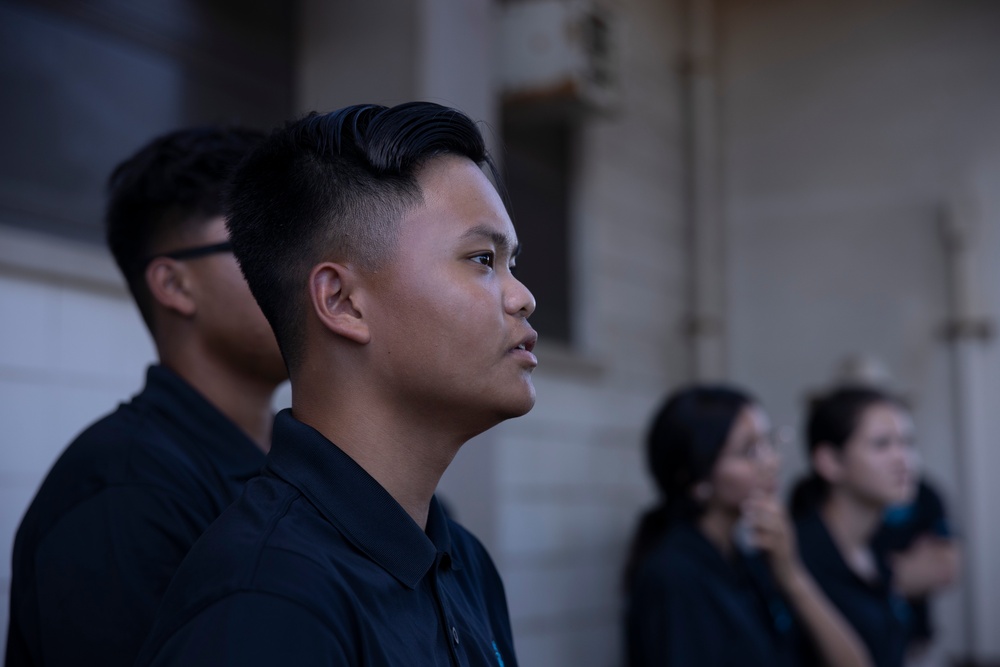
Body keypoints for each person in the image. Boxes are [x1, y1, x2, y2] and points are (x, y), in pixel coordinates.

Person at [135, 102, 537, 666]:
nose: (522, 296)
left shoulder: (462, 562)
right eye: (480, 258)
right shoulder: (265, 605)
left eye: (510, 261)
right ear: (342, 302)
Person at [5, 126, 287, 667]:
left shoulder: (302, 464)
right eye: (265, 242)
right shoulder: (122, 493)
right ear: (175, 285)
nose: (300, 271)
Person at [624, 385, 871, 667]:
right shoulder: (675, 578)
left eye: (768, 444)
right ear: (698, 480)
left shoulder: (746, 561)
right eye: (749, 451)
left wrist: (792, 576)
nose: (771, 461)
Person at [791, 386, 918, 667]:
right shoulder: (798, 555)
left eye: (908, 442)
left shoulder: (879, 546)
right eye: (882, 444)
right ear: (830, 461)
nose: (903, 459)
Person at [873, 477, 959, 661]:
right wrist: (911, 565)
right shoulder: (850, 501)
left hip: (918, 641)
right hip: (864, 641)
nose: (899, 455)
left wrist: (881, 571)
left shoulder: (923, 493)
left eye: (903, 446)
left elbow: (946, 570)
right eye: (881, 446)